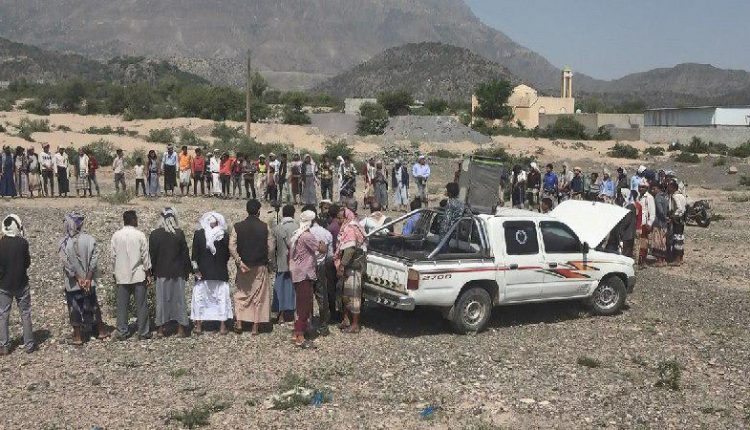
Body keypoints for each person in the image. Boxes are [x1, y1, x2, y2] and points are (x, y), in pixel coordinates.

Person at [59, 213, 107, 345]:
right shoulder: (90, 239)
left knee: (74, 306)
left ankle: (78, 336)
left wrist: (78, 278)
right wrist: (88, 278)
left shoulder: (64, 243)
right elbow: (94, 260)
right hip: (89, 281)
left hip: (73, 282)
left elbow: (66, 264)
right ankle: (101, 331)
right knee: (93, 303)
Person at [230, 200, 272, 335]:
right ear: (259, 211)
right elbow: (270, 247)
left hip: (243, 266)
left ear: (247, 210)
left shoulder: (237, 226)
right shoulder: (265, 227)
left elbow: (232, 245)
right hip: (260, 265)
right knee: (259, 295)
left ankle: (240, 322)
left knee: (242, 293)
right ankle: (255, 326)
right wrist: (268, 259)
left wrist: (238, 260)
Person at [149, 208, 192, 338]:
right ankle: (180, 329)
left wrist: (152, 272)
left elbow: (153, 256)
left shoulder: (155, 234)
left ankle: (161, 329)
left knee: (162, 301)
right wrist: (187, 270)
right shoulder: (179, 233)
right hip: (177, 272)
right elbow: (185, 254)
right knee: (179, 301)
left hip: (161, 272)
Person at [111, 210, 152, 340]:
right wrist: (148, 273)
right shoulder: (140, 235)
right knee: (141, 304)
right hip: (138, 274)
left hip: (121, 275)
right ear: (133, 220)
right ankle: (143, 331)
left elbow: (113, 256)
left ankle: (122, 331)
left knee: (122, 305)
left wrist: (114, 272)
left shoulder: (116, 236)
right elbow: (145, 256)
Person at [191, 212, 232, 335]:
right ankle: (222, 326)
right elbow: (227, 255)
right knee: (221, 299)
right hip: (220, 272)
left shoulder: (199, 234)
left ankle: (198, 326)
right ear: (219, 223)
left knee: (199, 299)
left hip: (202, 273)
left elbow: (194, 256)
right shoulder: (224, 235)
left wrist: (196, 270)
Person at [289, 210, 326, 347]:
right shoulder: (307, 236)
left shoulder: (297, 234)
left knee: (300, 304)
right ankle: (300, 336)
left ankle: (297, 332)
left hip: (297, 272)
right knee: (305, 305)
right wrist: (322, 241)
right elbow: (322, 249)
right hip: (305, 273)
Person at [0, 215, 35, 354]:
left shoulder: (1, 244)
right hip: (21, 283)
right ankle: (29, 344)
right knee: (25, 314)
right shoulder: (23, 243)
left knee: (3, 315)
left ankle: (4, 345)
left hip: (4, 285)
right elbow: (27, 263)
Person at [334, 207, 366, 334]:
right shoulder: (351, 227)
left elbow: (350, 249)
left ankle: (355, 324)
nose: (338, 220)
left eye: (340, 217)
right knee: (346, 295)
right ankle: (346, 319)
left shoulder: (351, 229)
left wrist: (342, 265)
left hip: (353, 268)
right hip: (350, 267)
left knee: (354, 297)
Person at [306, 206, 333, 336]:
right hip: (321, 266)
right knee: (322, 296)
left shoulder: (306, 233)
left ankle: (309, 324)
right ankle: (323, 325)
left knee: (308, 296)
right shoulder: (326, 233)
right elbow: (329, 255)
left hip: (308, 266)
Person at [270, 204, 298, 324]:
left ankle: (281, 315)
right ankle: (294, 312)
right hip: (296, 263)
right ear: (293, 214)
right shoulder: (298, 226)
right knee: (294, 289)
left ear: (282, 214)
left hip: (281, 262)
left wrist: (272, 263)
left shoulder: (278, 228)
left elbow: (271, 248)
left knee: (280, 289)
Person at [667, 180, 687, 267]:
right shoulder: (682, 196)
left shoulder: (675, 196)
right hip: (682, 220)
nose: (668, 188)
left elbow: (679, 208)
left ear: (673, 188)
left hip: (677, 220)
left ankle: (677, 259)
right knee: (680, 238)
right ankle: (680, 258)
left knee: (677, 239)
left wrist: (673, 216)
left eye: (669, 187)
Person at [650, 182, 669, 267]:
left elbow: (660, 211)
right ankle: (663, 260)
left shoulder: (657, 198)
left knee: (657, 241)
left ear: (658, 189)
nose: (652, 191)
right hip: (664, 224)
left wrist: (664, 218)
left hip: (658, 222)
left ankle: (659, 260)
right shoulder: (665, 197)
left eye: (654, 189)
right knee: (663, 241)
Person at [637, 179, 655, 267]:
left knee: (644, 242)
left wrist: (650, 223)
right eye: (640, 187)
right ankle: (638, 259)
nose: (641, 189)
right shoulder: (638, 197)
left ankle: (642, 260)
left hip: (645, 224)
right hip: (637, 223)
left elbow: (652, 212)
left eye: (643, 187)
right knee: (638, 242)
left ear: (647, 188)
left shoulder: (649, 198)